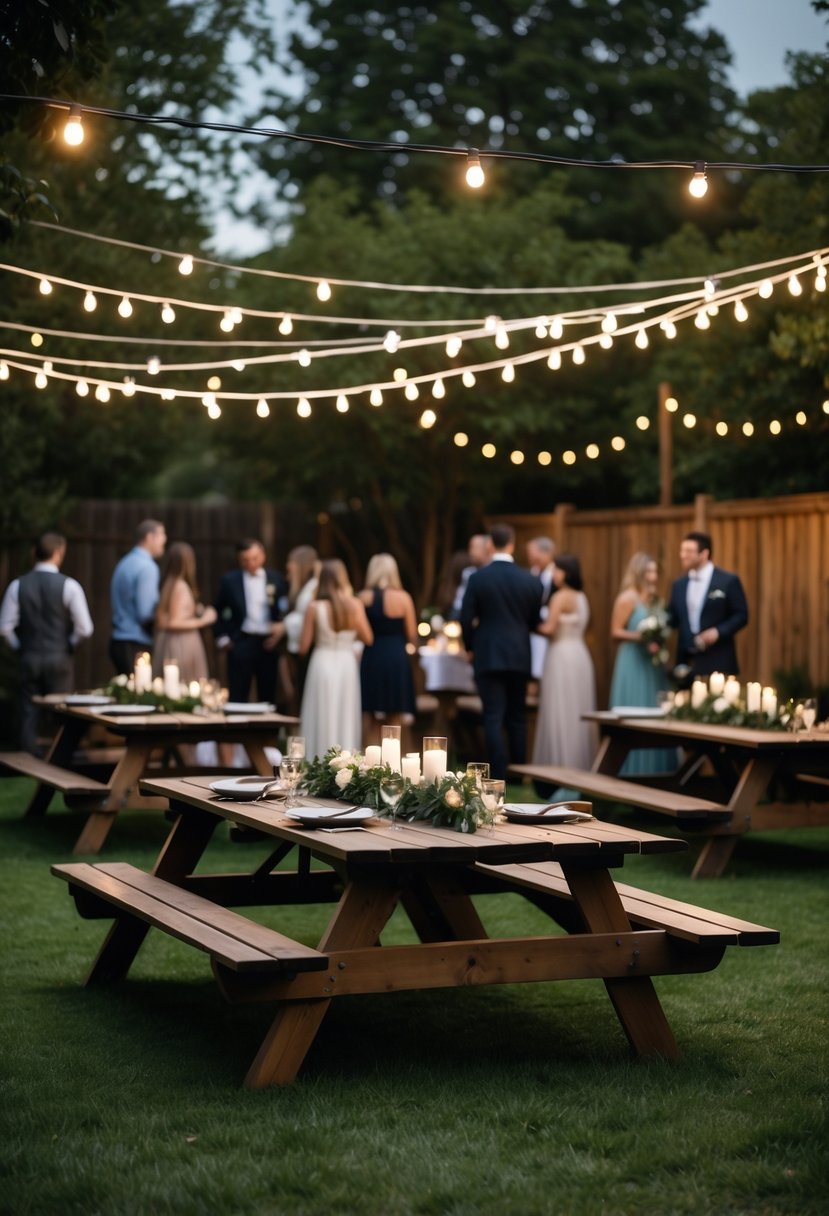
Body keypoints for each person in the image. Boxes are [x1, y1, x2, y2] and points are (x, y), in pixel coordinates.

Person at [459, 523, 542, 781]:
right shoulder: (531, 580)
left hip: (488, 653)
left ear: (489, 545)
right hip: (519, 654)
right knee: (517, 716)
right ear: (512, 544)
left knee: (492, 715)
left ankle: (497, 773)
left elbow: (465, 618)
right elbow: (534, 620)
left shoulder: (478, 578)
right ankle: (518, 772)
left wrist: (470, 646)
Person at [0, 531, 93, 755]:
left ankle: (26, 760)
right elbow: (85, 629)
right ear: (59, 553)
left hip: (29, 656)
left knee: (29, 712)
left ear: (34, 553)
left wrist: (20, 648)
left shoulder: (17, 585)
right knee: (62, 712)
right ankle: (61, 758)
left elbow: (4, 628)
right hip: (59, 657)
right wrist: (68, 645)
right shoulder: (69, 585)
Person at [608, 552, 676, 775]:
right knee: (635, 709)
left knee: (655, 709)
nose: (653, 576)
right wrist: (642, 636)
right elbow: (615, 632)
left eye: (655, 571)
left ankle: (658, 771)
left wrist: (657, 638)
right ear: (638, 572)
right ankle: (630, 770)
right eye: (648, 571)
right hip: (633, 662)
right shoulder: (627, 598)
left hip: (652, 664)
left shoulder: (656, 600)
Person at [299, 559, 373, 758]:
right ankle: (345, 761)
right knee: (345, 713)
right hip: (346, 663)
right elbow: (368, 637)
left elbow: (303, 647)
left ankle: (318, 759)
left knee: (322, 712)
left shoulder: (314, 607)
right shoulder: (355, 605)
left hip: (322, 661)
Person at [532, 553, 598, 773]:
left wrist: (528, 622)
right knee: (576, 710)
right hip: (580, 656)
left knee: (560, 709)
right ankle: (578, 763)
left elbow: (549, 629)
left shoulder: (559, 597)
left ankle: (560, 765)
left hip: (561, 656)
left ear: (566, 573)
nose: (554, 574)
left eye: (557, 570)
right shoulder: (582, 597)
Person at [213, 538, 288, 704]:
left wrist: (280, 633)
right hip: (241, 641)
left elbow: (285, 609)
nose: (251, 563)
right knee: (238, 694)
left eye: (254, 558)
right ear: (239, 560)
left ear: (263, 555)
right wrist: (222, 637)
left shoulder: (276, 579)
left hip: (268, 642)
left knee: (268, 695)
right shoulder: (229, 581)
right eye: (245, 560)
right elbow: (217, 610)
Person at [667, 531, 749, 679]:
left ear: (704, 554)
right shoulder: (678, 585)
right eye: (682, 550)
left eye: (689, 551)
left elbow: (741, 615)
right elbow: (672, 619)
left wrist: (718, 632)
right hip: (686, 662)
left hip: (718, 659)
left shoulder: (727, 581)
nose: (682, 555)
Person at [359, 553, 417, 744]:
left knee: (371, 715)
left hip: (373, 655)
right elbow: (412, 634)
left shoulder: (363, 598)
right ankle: (396, 755)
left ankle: (369, 754)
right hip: (396, 656)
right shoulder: (404, 598)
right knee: (396, 714)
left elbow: (359, 632)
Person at [151, 542, 217, 684]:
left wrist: (195, 609)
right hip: (182, 643)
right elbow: (174, 622)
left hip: (170, 641)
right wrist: (205, 620)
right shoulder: (180, 586)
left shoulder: (169, 583)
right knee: (184, 685)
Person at [109, 519, 167, 674]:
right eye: (162, 535)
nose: (165, 539)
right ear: (149, 537)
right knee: (140, 689)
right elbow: (146, 614)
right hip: (136, 643)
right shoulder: (148, 567)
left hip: (119, 640)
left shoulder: (125, 562)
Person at [279, 545, 319, 712]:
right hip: (301, 647)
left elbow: (308, 619)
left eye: (291, 562)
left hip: (309, 647)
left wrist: (283, 626)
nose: (288, 566)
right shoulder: (306, 587)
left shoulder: (314, 588)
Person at [526, 535, 556, 682]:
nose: (531, 558)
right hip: (532, 631)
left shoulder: (556, 576)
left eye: (534, 554)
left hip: (548, 632)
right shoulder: (532, 573)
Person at [449, 533, 494, 618]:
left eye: (474, 547)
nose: (471, 552)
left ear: (487, 548)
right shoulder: (468, 572)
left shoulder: (494, 574)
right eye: (470, 547)